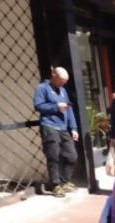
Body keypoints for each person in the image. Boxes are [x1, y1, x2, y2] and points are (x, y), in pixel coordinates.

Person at [33, 67, 79, 198]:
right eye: (61, 81)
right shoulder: (42, 88)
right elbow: (38, 105)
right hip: (49, 126)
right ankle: (55, 185)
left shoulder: (63, 90)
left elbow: (69, 110)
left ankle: (65, 181)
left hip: (63, 127)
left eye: (65, 81)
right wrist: (55, 107)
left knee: (72, 155)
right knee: (54, 157)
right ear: (53, 75)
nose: (63, 84)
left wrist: (74, 128)